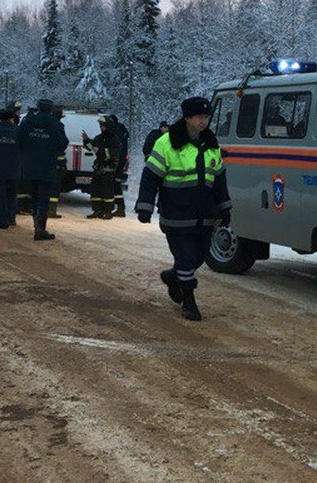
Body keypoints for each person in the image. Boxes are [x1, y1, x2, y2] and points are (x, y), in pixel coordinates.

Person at [136, 97, 231, 321]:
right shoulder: (166, 143)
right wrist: (145, 206)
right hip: (176, 214)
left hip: (204, 215)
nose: (204, 122)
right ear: (187, 118)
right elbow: (150, 178)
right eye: (199, 117)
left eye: (206, 117)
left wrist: (225, 207)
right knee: (186, 257)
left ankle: (173, 276)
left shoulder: (211, 144)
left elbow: (219, 181)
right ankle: (189, 301)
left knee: (200, 256)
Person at [17, 99, 69, 241]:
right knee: (44, 198)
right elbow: (63, 143)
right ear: (51, 109)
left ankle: (36, 225)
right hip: (47, 166)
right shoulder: (56, 124)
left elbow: (19, 139)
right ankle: (41, 227)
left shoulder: (27, 122)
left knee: (33, 196)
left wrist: (27, 153)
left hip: (30, 165)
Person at [82, 116, 118, 219]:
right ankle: (97, 210)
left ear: (108, 126)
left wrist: (100, 151)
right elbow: (91, 147)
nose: (101, 128)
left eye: (103, 126)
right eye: (101, 126)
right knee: (95, 191)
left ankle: (108, 212)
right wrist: (86, 141)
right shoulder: (99, 137)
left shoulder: (114, 139)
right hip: (98, 169)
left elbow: (113, 153)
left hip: (108, 169)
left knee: (107, 192)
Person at [107, 113, 130, 217]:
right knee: (115, 184)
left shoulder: (116, 133)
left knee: (114, 184)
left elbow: (116, 149)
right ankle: (118, 207)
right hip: (120, 162)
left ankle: (119, 208)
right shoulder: (121, 131)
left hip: (117, 163)